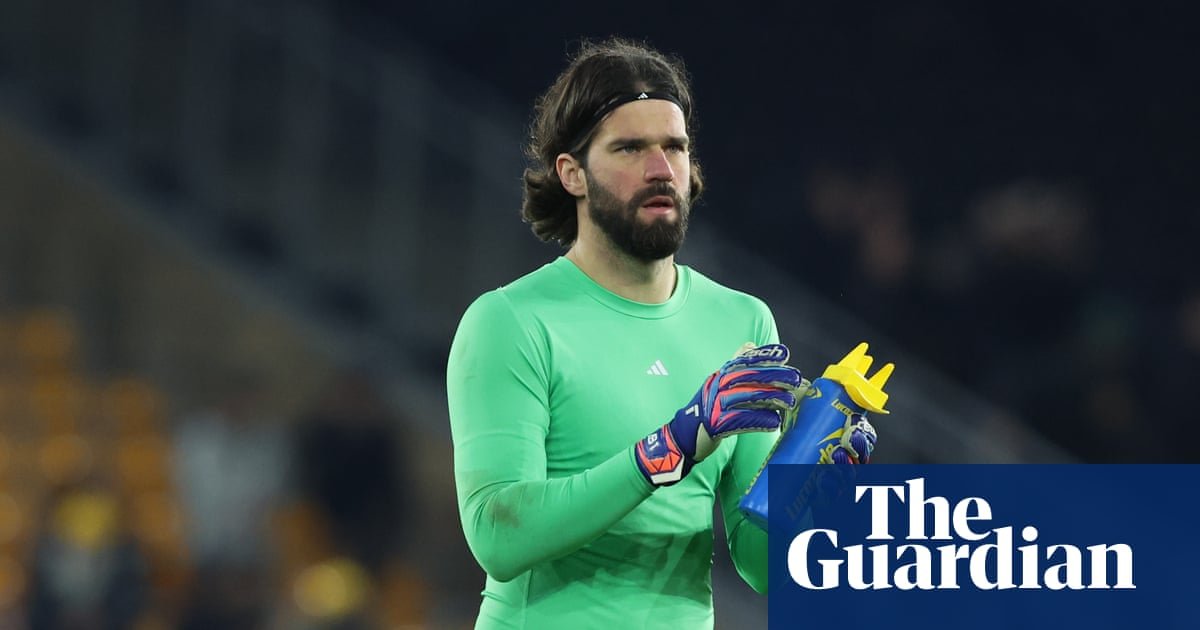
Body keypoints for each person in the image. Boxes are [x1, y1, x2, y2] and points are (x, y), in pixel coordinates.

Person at [446, 38, 874, 628]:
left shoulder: (743, 322)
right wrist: (669, 447)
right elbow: (498, 537)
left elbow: (760, 564)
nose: (660, 169)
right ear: (572, 174)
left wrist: (809, 487)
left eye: (674, 147)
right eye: (630, 148)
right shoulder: (511, 321)